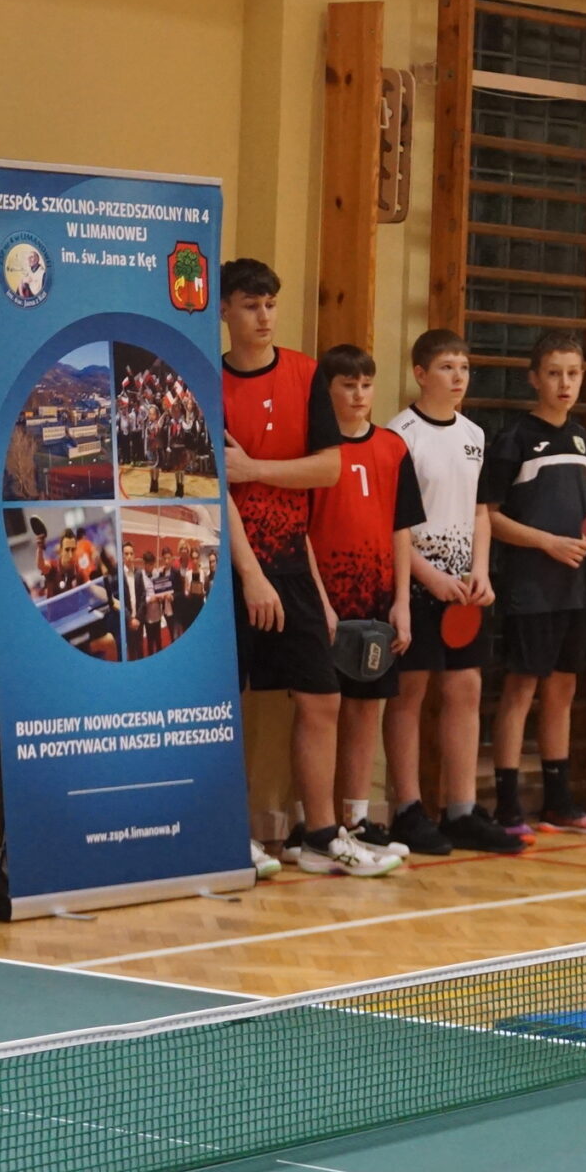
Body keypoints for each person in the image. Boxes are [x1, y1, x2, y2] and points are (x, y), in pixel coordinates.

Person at [218, 258, 375, 877]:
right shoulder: (206, 381)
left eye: (270, 304)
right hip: (230, 571)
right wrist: (250, 574)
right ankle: (227, 836)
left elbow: (328, 469)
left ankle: (321, 835)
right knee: (225, 707)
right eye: (250, 305)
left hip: (292, 562)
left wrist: (256, 469)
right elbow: (214, 489)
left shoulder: (307, 374)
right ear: (224, 311)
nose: (264, 316)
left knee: (321, 698)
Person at [385, 330, 518, 854]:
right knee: (410, 695)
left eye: (464, 367)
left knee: (466, 690)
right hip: (418, 585)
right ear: (420, 374)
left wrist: (481, 570)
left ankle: (462, 809)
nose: (458, 376)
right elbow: (391, 524)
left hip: (464, 588)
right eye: (446, 367)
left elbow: (481, 512)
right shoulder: (399, 435)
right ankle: (407, 809)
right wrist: (428, 576)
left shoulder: (475, 434)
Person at [481, 330, 586, 835]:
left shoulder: (580, 437)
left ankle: (559, 802)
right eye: (554, 373)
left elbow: (575, 509)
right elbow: (489, 517)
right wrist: (547, 543)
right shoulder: (514, 438)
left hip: (575, 586)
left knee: (562, 690)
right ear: (534, 378)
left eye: (573, 374)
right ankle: (508, 806)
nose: (564, 383)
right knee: (521, 690)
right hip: (530, 587)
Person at [307, 344, 419, 868]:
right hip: (328, 602)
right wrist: (320, 603)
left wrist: (402, 602)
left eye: (366, 385)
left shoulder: (393, 449)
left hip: (378, 602)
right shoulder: (314, 452)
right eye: (348, 385)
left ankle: (355, 820)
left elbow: (401, 530)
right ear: (328, 391)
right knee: (321, 709)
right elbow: (301, 529)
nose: (359, 395)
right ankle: (317, 823)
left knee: (366, 708)